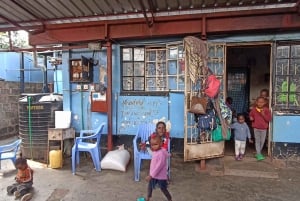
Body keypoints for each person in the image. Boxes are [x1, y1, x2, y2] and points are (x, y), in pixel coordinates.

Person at [145, 135, 172, 201]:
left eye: (155, 144)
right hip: (153, 174)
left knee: (163, 188)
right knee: (150, 187)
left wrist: (151, 175)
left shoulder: (161, 153)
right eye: (152, 145)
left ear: (161, 143)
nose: (153, 146)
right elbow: (166, 153)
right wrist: (169, 155)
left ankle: (169, 199)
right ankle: (148, 198)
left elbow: (159, 166)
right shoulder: (157, 151)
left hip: (160, 176)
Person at [249, 96, 272, 161]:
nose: (260, 103)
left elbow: (269, 119)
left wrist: (263, 114)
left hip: (264, 128)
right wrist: (251, 118)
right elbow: (250, 115)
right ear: (256, 102)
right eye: (259, 102)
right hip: (256, 128)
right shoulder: (254, 109)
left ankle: (258, 152)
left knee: (262, 141)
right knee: (257, 141)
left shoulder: (266, 110)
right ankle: (259, 154)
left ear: (264, 103)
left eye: (262, 102)